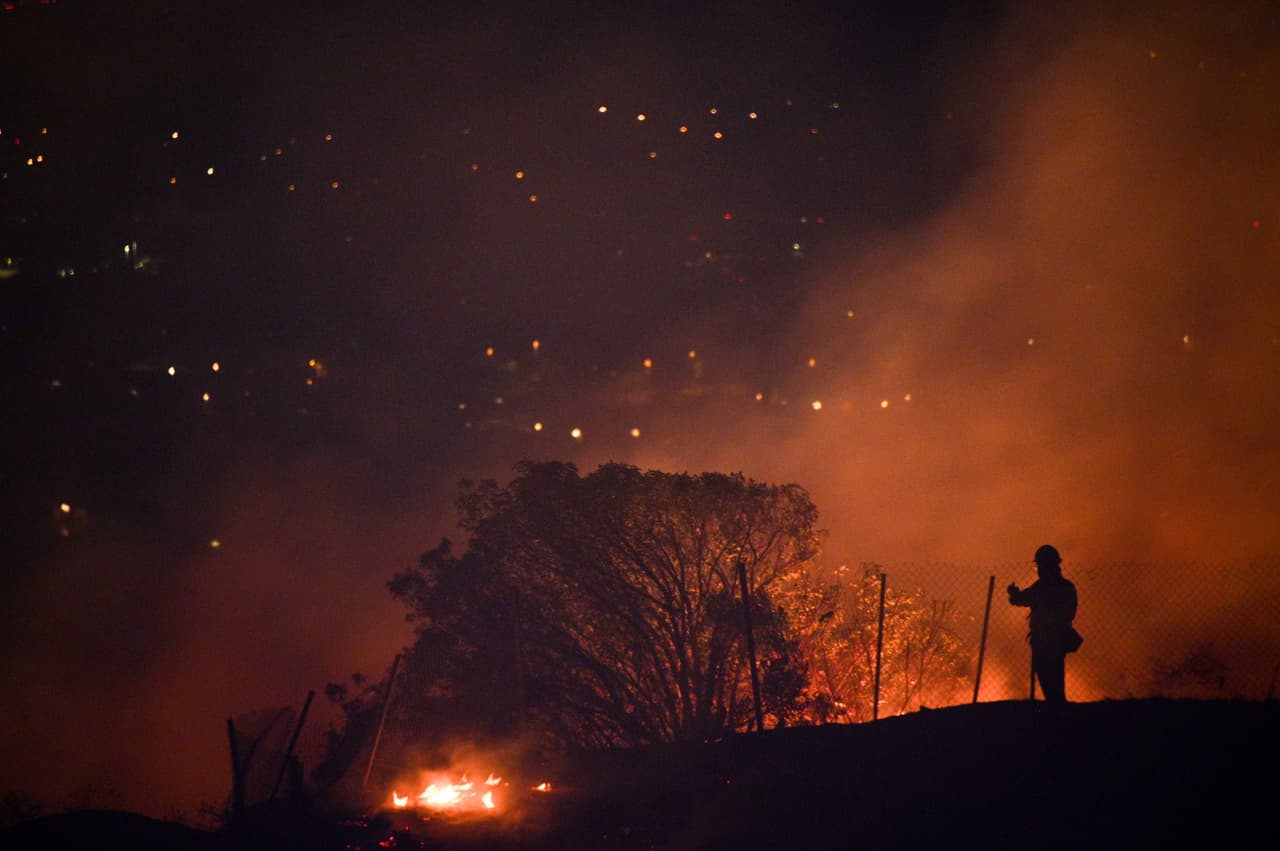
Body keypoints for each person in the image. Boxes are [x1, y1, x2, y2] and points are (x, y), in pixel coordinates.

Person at [1008, 544, 1079, 703]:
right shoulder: (1067, 587)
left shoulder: (1041, 588)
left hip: (1043, 640)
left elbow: (1020, 599)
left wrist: (1013, 593)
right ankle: (1058, 708)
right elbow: (1071, 612)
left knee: (1047, 678)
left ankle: (1055, 709)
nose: (1039, 569)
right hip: (1059, 639)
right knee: (1056, 677)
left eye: (1040, 565)